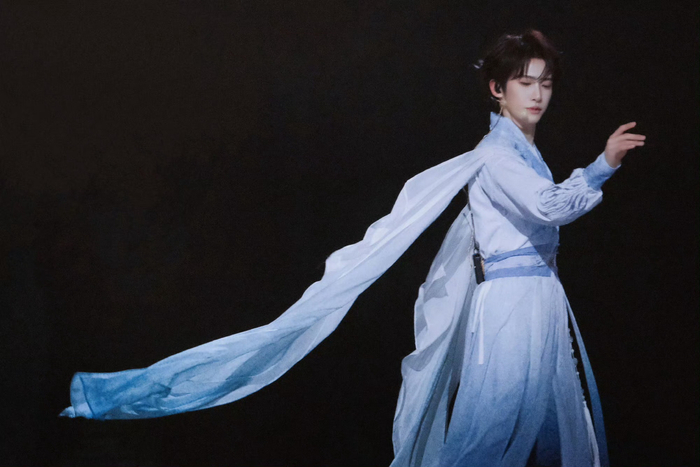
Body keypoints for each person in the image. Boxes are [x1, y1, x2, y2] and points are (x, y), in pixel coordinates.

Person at [61, 30, 644, 467]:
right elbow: (548, 207)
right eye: (525, 82)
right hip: (512, 307)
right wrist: (602, 165)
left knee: (565, 432)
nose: (537, 94)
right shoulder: (495, 155)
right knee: (489, 431)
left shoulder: (523, 153)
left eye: (545, 82)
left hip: (540, 298)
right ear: (498, 89)